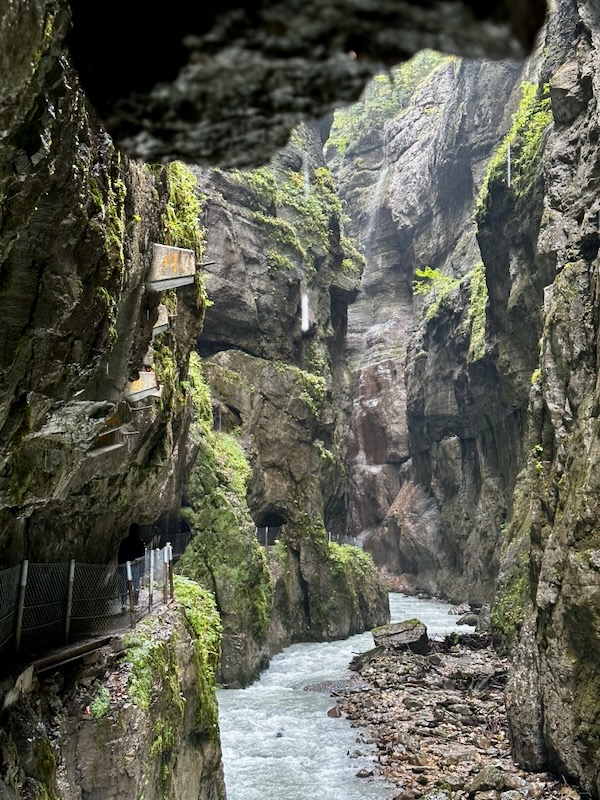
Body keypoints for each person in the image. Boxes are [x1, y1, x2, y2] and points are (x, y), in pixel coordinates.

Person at [118, 523, 146, 609]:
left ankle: (123, 603)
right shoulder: (139, 542)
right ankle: (135, 602)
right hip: (135, 565)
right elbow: (142, 555)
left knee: (124, 585)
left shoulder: (124, 541)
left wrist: (120, 565)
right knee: (136, 585)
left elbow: (120, 555)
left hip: (124, 566)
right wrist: (142, 569)